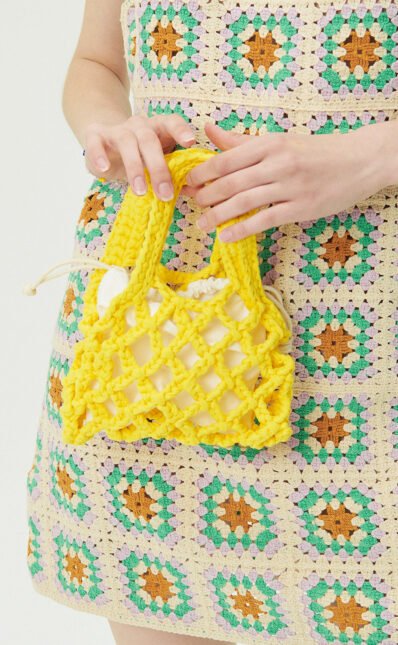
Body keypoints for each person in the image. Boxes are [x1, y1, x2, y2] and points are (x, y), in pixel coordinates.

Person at [25, 1, 398, 643]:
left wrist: (370, 156)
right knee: (152, 594)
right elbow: (96, 63)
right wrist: (110, 130)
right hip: (148, 328)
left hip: (362, 316)